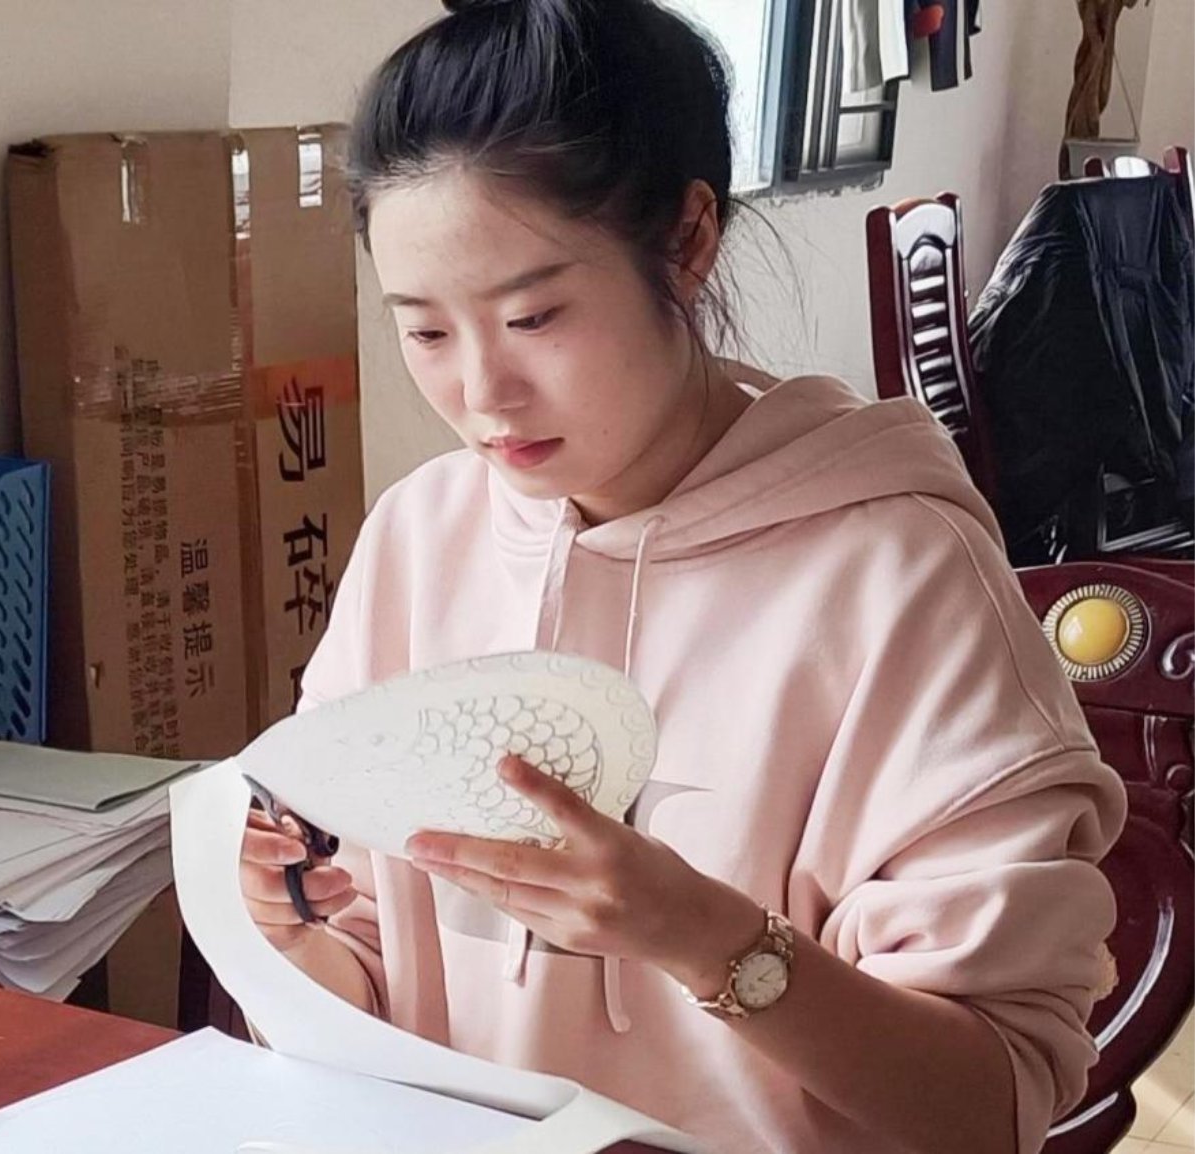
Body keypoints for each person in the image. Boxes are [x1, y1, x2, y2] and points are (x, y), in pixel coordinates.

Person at [237, 1, 1125, 1152]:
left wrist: (704, 938)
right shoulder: (420, 534)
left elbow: (984, 1105)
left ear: (687, 239)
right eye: (427, 332)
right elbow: (370, 969)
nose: (482, 394)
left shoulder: (894, 574)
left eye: (532, 315)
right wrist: (289, 928)